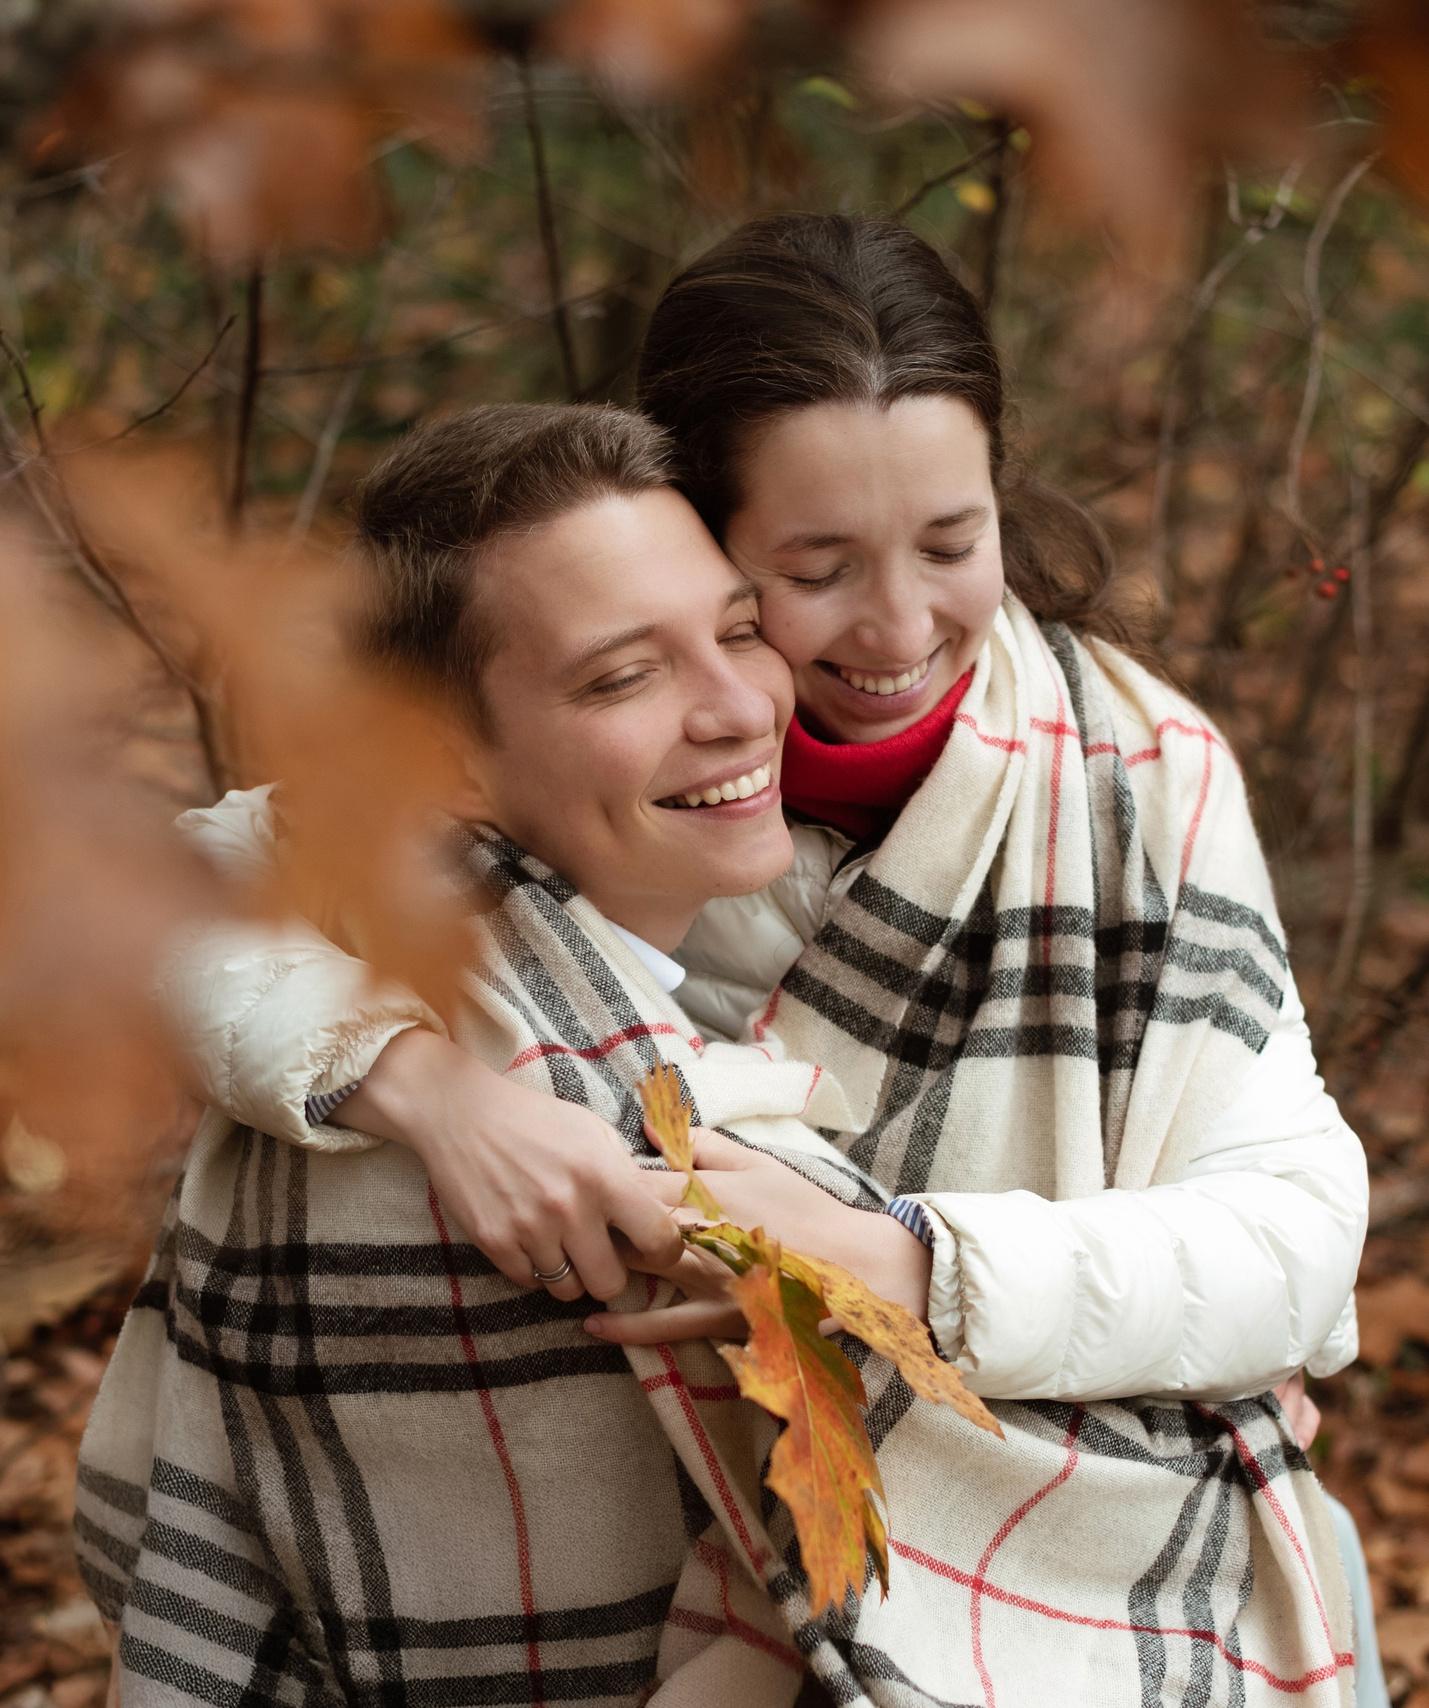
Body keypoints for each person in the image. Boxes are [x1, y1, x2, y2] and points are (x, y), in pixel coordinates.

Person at [151, 216, 1372, 1706]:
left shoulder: (1132, 783)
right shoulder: (589, 772)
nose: (900, 626)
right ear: (691, 524)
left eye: (949, 541)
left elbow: (1293, 1253)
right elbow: (167, 894)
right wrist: (425, 1090)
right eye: (813, 567)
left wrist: (906, 1266)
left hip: (1052, 1569)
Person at [78, 404, 907, 1708]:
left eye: (740, 631)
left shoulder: (771, 907)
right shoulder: (582, 1127)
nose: (739, 706)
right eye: (624, 675)